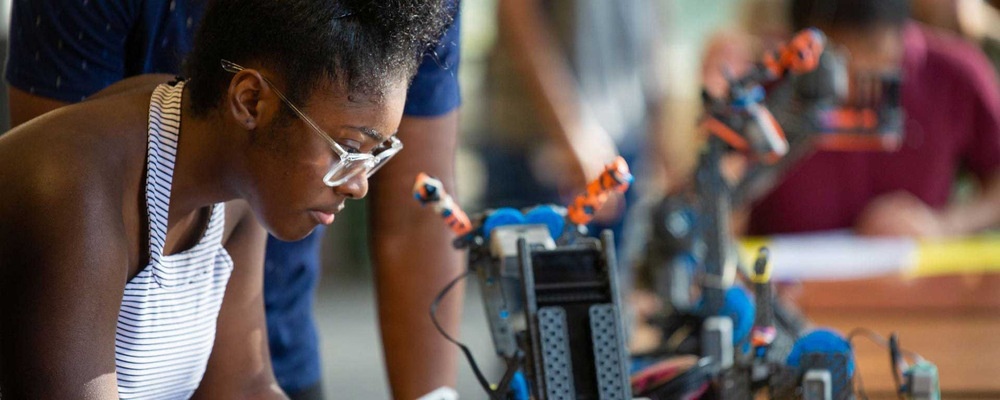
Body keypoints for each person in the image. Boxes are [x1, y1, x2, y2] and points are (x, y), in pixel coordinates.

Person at [4, 0, 464, 398]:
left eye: (375, 155)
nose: (358, 185)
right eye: (348, 150)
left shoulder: (235, 183)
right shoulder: (76, 192)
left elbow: (243, 387)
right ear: (250, 101)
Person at [745, 0, 1000, 237]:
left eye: (875, 55)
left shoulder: (954, 74)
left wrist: (943, 225)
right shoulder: (760, 85)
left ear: (902, 34)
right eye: (836, 62)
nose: (852, 86)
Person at [479, 0, 668, 251]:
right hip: (540, 146)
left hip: (626, 138)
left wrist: (660, 135)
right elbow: (517, 12)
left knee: (612, 282)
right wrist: (573, 133)